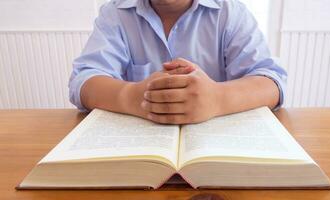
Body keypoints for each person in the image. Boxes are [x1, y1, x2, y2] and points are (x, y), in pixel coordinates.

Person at [69, 0, 287, 124]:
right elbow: (84, 80)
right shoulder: (115, 13)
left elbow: (271, 82)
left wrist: (218, 98)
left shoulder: (230, 12)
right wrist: (132, 96)